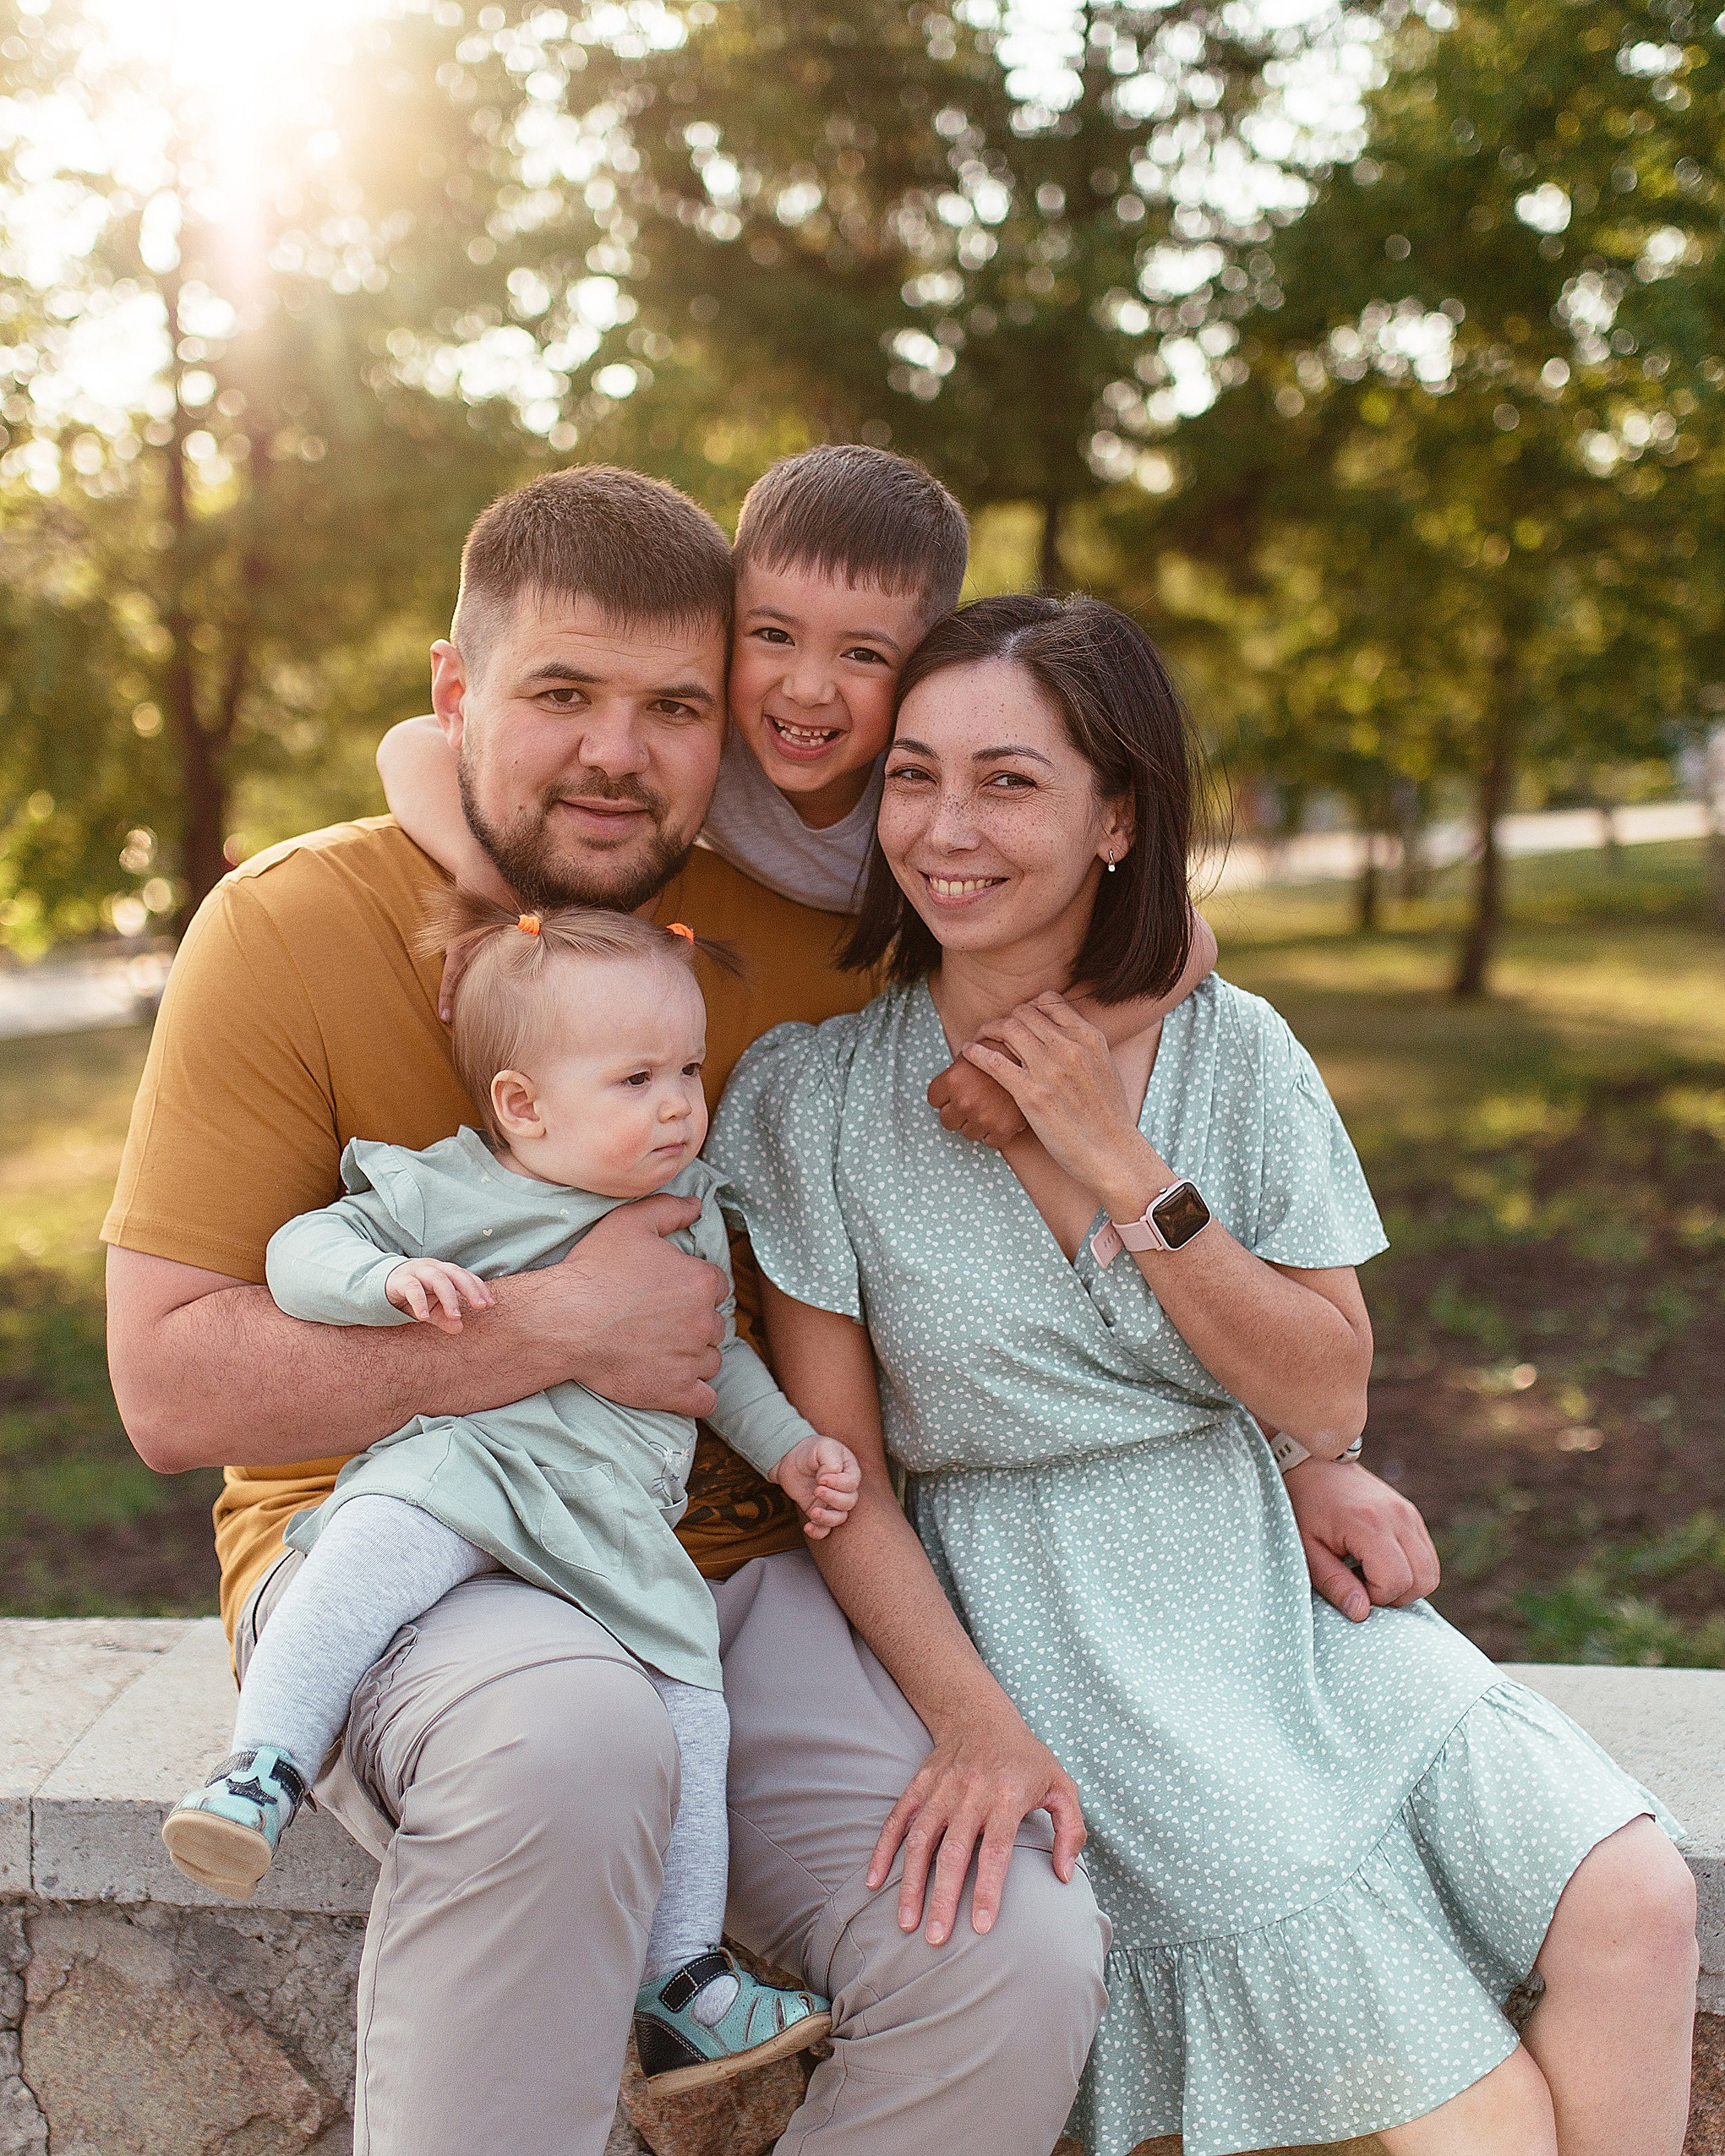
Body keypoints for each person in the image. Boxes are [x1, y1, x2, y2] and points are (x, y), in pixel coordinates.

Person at [104, 462, 1448, 2156]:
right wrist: (551, 1330)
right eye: (561, 695)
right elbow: (167, 1391)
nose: (619, 749)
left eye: (673, 704)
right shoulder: (294, 929)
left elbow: (1133, 945)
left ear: (731, 729)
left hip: (741, 1572)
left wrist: (1300, 1447)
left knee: (1017, 1945)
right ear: (455, 700)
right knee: (569, 1739)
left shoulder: (824, 934)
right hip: (416, 1547)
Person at [708, 592, 1700, 2156]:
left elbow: (1323, 1397)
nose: (945, 827)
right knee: (1484, 2129)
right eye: (913, 775)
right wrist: (972, 1721)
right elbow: (840, 1483)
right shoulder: (815, 1101)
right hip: (1056, 1616)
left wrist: (1120, 1158)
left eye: (1008, 781)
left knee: (1637, 1904)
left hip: (1268, 1580)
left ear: (1116, 816)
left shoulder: (1237, 1054)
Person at [162, 901, 855, 2088]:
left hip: (617, 1525)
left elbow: (715, 1351)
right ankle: (260, 1767)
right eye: (636, 1077)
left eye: (687, 1068)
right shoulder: (456, 1189)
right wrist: (386, 1279)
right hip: (478, 1467)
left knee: (692, 1701)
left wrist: (791, 1445)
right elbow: (297, 1254)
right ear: (523, 1102)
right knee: (376, 1544)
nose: (679, 1102)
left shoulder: (686, 1202)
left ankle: (684, 1981)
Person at [378, 441, 1220, 1146]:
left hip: (934, 1026)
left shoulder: (929, 794)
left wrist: (1023, 1073)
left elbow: (1186, 938)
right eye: (773, 635)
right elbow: (414, 743)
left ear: (924, 659)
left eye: (862, 654)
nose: (807, 689)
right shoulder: (704, 754)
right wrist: (486, 883)